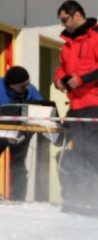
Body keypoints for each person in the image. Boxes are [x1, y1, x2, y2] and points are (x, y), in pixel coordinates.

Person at [54, 1, 98, 211]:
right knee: (78, 155)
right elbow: (62, 68)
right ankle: (81, 200)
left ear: (76, 15)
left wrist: (81, 79)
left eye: (65, 19)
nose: (63, 24)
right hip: (77, 106)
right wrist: (59, 80)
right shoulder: (67, 45)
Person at [0, 66, 46, 201]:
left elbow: (43, 109)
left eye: (28, 83)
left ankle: (18, 199)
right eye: (22, 86)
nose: (27, 87)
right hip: (1, 132)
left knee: (18, 164)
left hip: (21, 132)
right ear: (11, 85)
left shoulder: (30, 89)